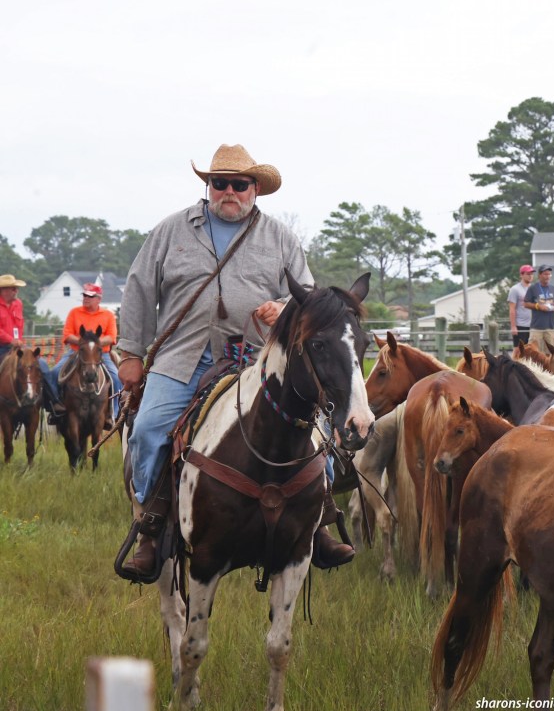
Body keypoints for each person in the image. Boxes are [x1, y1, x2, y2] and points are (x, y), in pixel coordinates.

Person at [116, 143, 353, 582]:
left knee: (319, 431)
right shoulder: (170, 231)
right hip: (181, 357)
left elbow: (311, 300)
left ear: (255, 189)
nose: (228, 191)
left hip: (258, 358)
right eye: (218, 182)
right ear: (208, 186)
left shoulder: (281, 237)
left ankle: (319, 520)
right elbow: (138, 290)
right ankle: (152, 524)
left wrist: (285, 309)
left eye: (238, 184)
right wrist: (130, 353)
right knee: (149, 429)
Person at [44, 282, 122, 424]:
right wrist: (83, 343)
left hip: (101, 354)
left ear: (99, 299)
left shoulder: (108, 315)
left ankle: (114, 413)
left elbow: (111, 337)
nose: (86, 298)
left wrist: (94, 344)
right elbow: (67, 335)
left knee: (116, 378)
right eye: (85, 295)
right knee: (53, 373)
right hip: (76, 352)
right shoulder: (74, 312)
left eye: (90, 296)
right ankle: (56, 407)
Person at [0, 273, 52, 378]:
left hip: (17, 347)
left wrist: (18, 341)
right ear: (4, 291)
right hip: (2, 347)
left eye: (16, 289)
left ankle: (50, 394)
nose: (16, 291)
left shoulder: (18, 304)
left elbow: (19, 327)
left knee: (42, 366)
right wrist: (11, 340)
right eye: (14, 289)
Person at [522, 264, 554, 354]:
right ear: (539, 275)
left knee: (552, 352)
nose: (547, 276)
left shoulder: (553, 289)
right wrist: (538, 306)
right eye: (545, 274)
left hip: (551, 326)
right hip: (537, 327)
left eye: (549, 274)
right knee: (534, 352)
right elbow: (526, 303)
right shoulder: (533, 288)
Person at [507, 264, 535, 347]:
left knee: (531, 350)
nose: (530, 276)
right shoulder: (515, 289)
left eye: (532, 274)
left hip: (533, 325)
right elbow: (512, 309)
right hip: (520, 325)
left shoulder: (534, 289)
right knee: (519, 350)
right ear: (521, 275)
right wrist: (513, 326)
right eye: (528, 274)